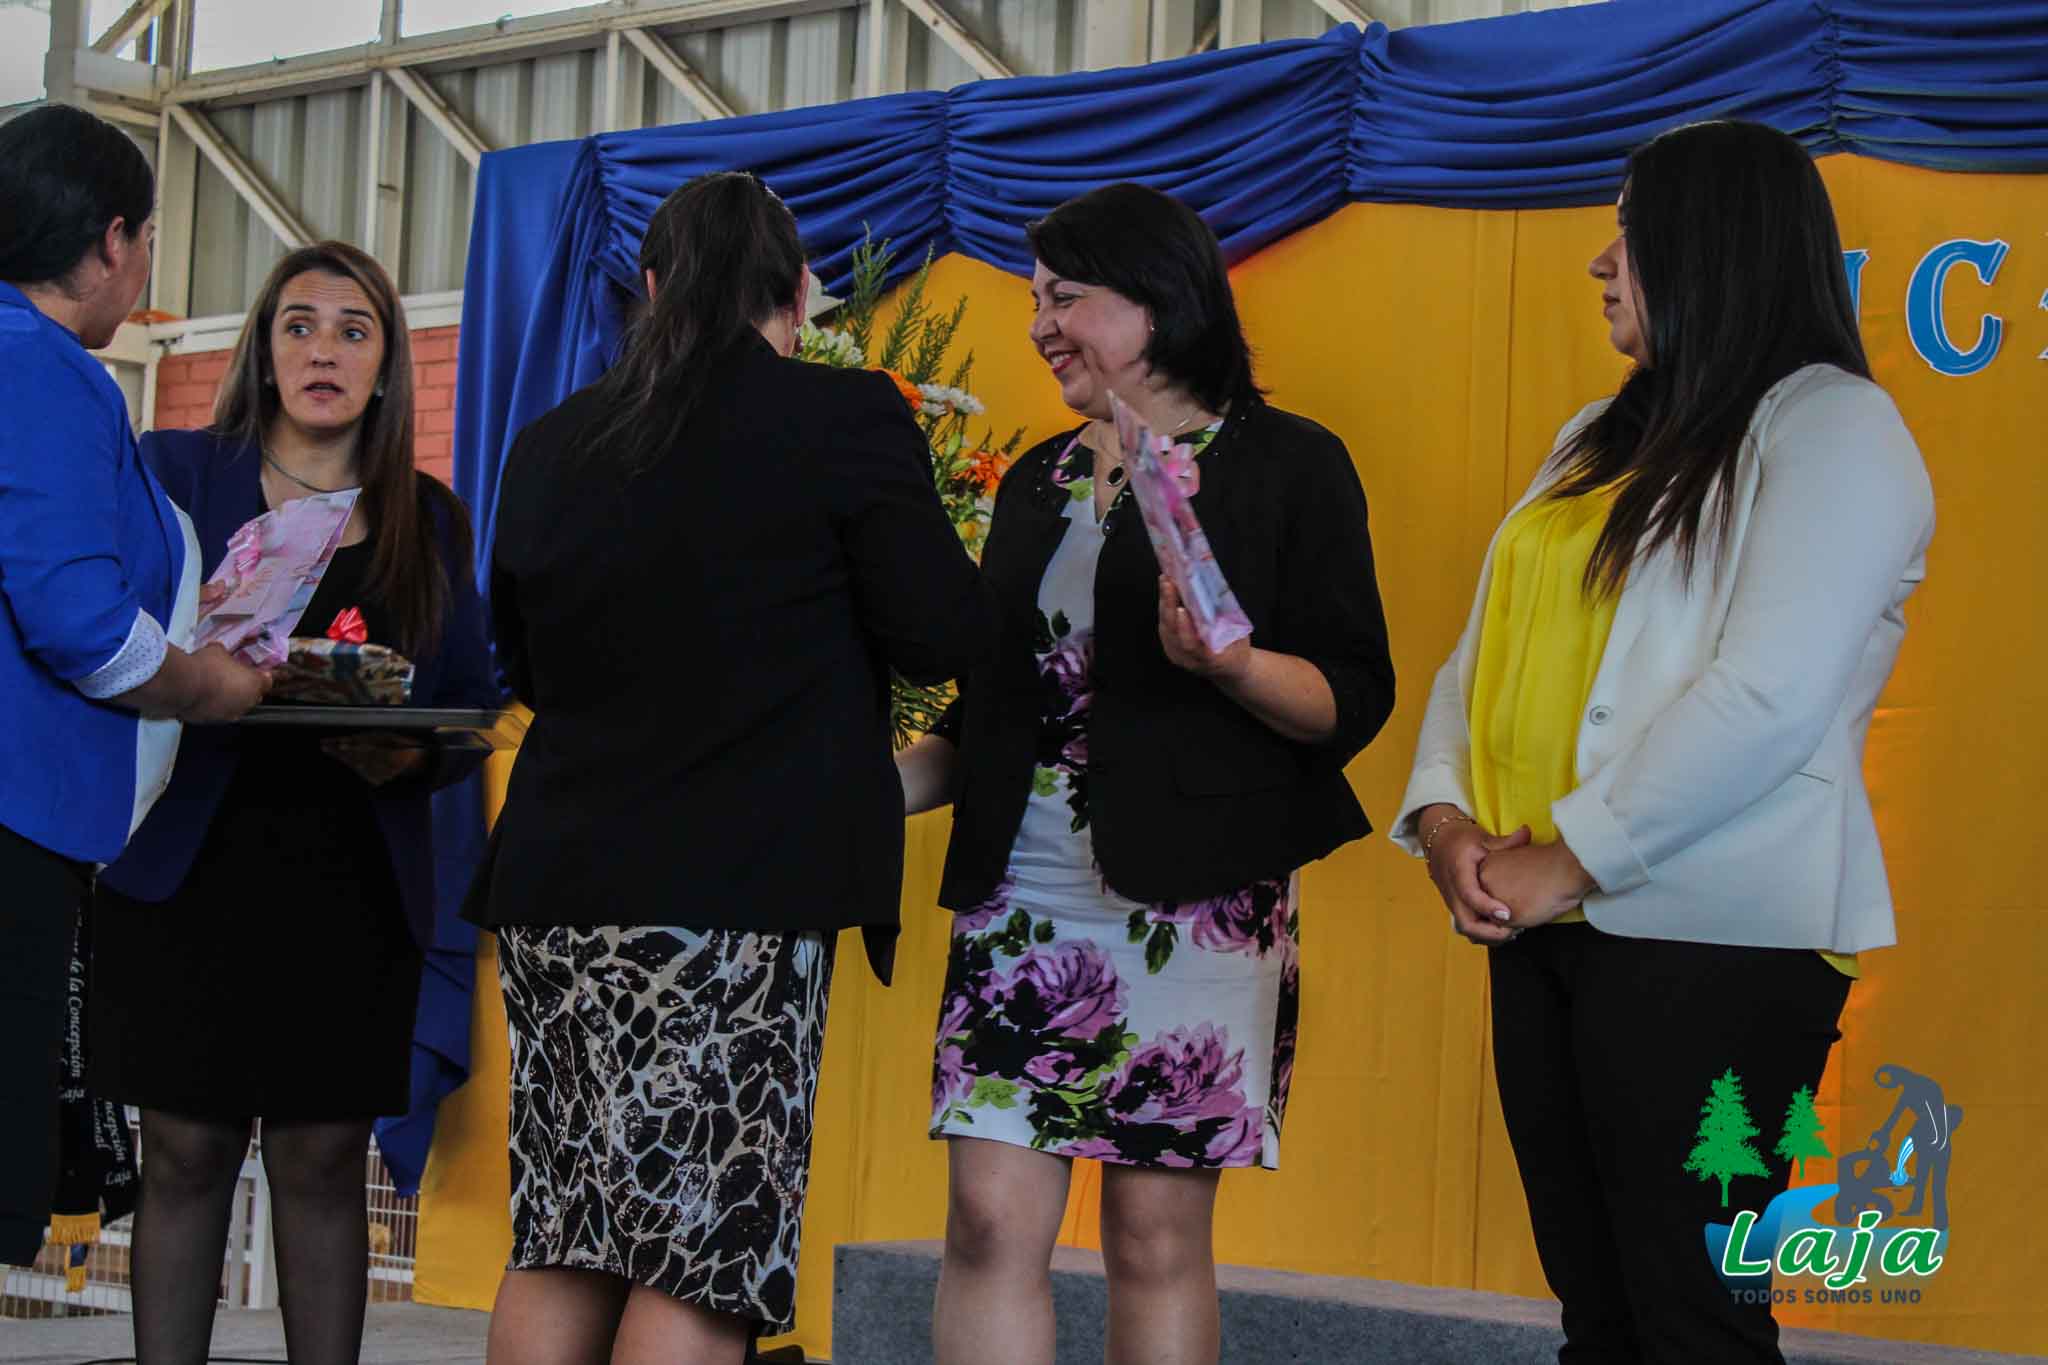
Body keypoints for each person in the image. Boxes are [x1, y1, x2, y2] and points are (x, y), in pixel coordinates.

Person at [1392, 120, 1934, 1364]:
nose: (1600, 263)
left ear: (1711, 247)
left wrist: (1566, 859)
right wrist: (1444, 820)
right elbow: (1481, 653)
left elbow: (1768, 696)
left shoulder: (1833, 429)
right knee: (1598, 1318)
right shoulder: (1598, 431)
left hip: (1710, 935)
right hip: (1542, 922)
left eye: (1627, 234)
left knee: (1693, 1325)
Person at [470, 171, 994, 1365]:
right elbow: (941, 632)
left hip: (559, 891)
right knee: (699, 1258)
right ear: (798, 293)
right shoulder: (842, 415)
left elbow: (528, 661)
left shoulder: (552, 441)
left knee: (565, 1233)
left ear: (653, 288)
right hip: (732, 906)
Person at [895, 182, 1396, 1365]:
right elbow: (992, 708)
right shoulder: (1036, 478)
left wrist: (1233, 667)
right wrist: (861, 787)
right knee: (984, 1222)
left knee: (1152, 1236)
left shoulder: (1289, 464)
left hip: (1196, 899)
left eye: (1063, 297)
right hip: (1021, 899)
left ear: (1157, 302)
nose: (1039, 326)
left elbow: (1350, 698)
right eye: (1034, 300)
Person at [90, 241, 496, 1365]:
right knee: (184, 1154)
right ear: (264, 351)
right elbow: (107, 636)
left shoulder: (429, 518)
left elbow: (467, 704)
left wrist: (406, 755)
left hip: (351, 878)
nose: (325, 350)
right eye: (300, 325)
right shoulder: (175, 473)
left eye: (354, 330)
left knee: (322, 1162)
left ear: (386, 364)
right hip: (186, 865)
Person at [0, 104, 272, 1268]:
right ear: (111, 240)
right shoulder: (45, 368)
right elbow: (80, 623)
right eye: (149, 240)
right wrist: (206, 683)